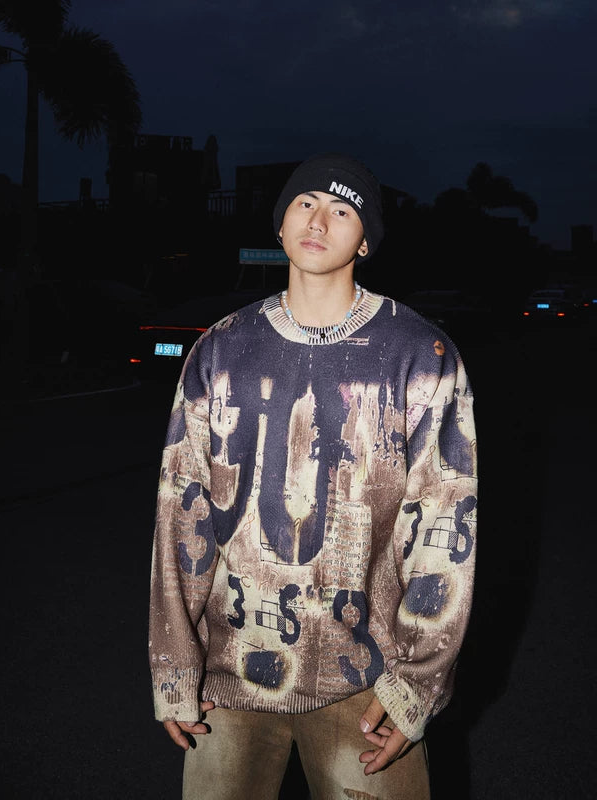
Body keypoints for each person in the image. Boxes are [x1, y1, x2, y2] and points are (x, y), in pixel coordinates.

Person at [148, 153, 477, 799]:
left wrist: (416, 683)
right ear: (280, 225)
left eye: (342, 209)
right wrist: (174, 665)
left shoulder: (421, 355)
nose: (318, 220)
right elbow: (180, 514)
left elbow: (446, 530)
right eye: (305, 203)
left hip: (367, 682)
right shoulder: (221, 347)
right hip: (230, 677)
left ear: (366, 240)